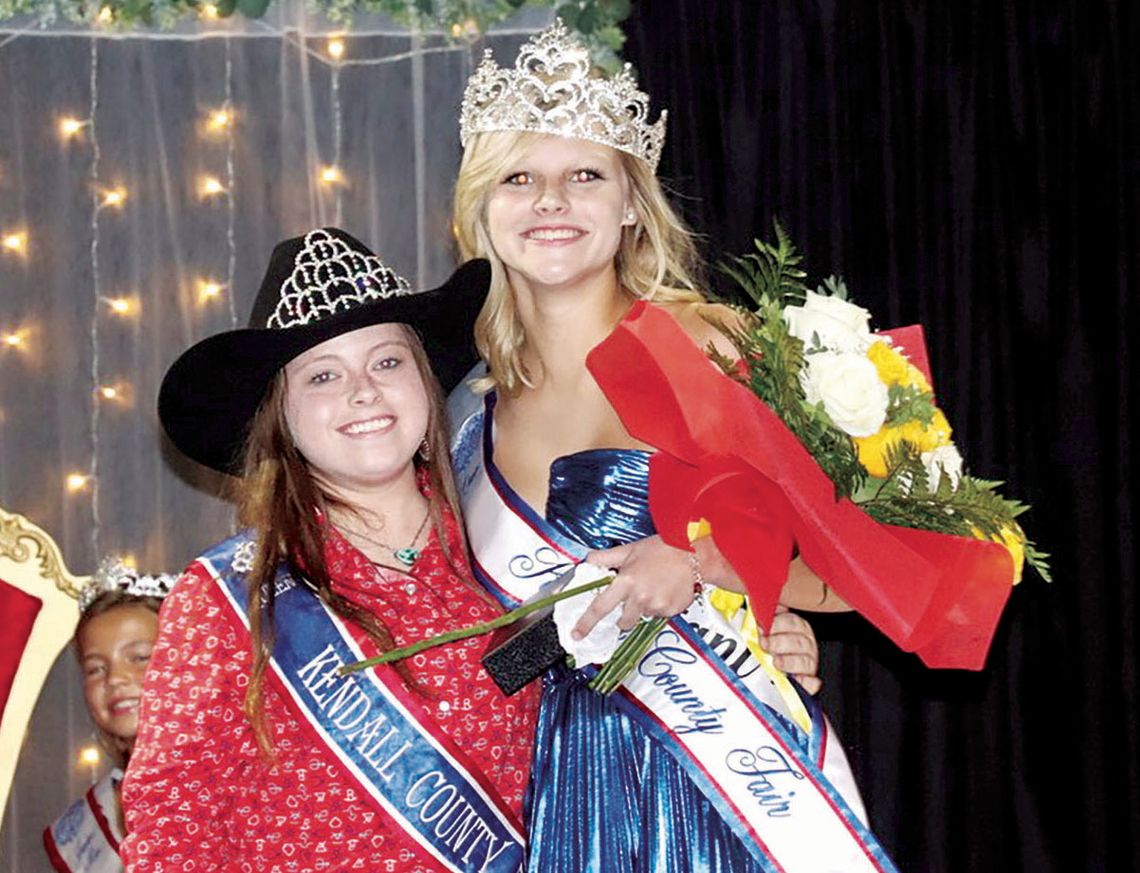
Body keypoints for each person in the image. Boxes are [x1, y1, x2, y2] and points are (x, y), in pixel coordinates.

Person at [448, 22, 896, 872]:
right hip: (545, 790)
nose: (550, 201)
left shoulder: (710, 345)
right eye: (519, 178)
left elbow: (862, 571)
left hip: (715, 777)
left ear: (629, 202)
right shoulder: (475, 408)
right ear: (483, 207)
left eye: (584, 174)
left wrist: (702, 564)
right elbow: (516, 644)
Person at [121, 227, 538, 872]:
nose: (363, 390)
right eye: (322, 375)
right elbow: (173, 831)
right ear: (279, 418)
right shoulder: (228, 599)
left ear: (429, 383)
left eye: (388, 361)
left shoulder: (510, 548)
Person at [43, 559, 174, 873]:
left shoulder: (241, 787)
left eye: (140, 657)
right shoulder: (83, 830)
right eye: (96, 668)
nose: (115, 678)